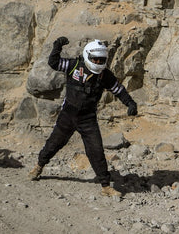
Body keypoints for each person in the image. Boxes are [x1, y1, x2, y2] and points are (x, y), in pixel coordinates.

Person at [28, 37, 138, 197]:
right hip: (67, 115)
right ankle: (39, 166)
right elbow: (54, 63)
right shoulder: (74, 65)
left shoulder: (104, 75)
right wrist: (56, 46)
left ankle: (106, 186)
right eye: (96, 59)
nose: (98, 61)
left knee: (96, 151)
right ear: (87, 55)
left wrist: (130, 103)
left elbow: (118, 90)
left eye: (102, 59)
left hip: (88, 119)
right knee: (54, 143)